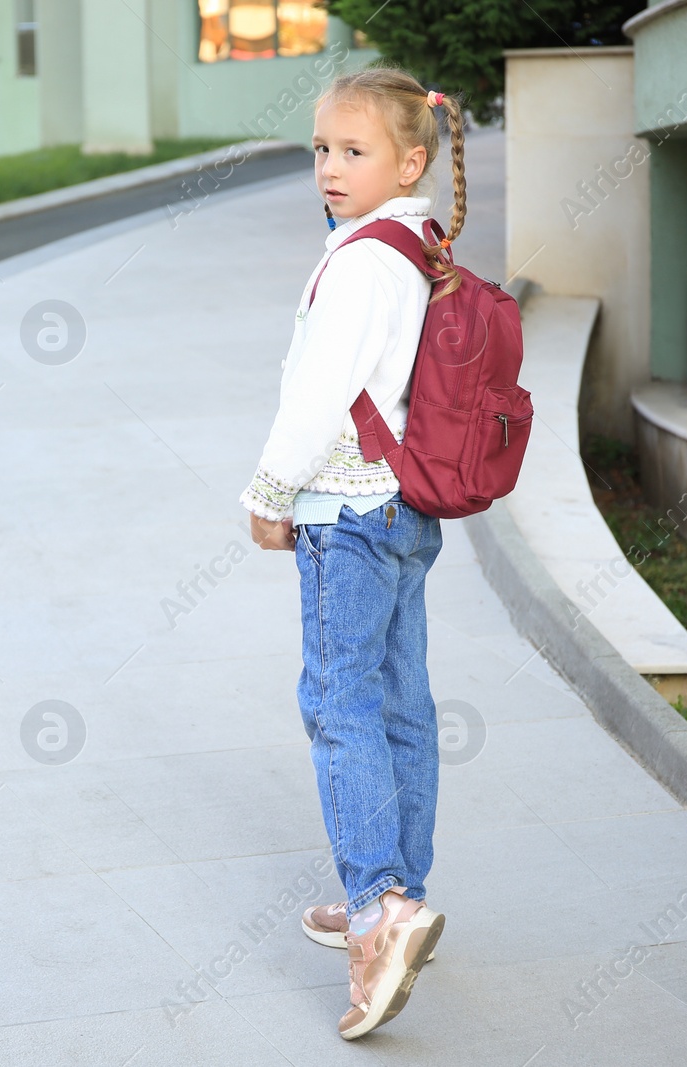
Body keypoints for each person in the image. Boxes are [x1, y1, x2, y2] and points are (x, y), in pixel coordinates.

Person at [238, 66, 468, 1040]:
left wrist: (267, 490)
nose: (329, 168)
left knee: (338, 706)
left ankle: (378, 908)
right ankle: (401, 890)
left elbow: (320, 390)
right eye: (322, 150)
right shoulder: (416, 241)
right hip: (403, 508)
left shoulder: (362, 260)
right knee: (399, 704)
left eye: (353, 150)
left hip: (345, 511)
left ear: (409, 159)